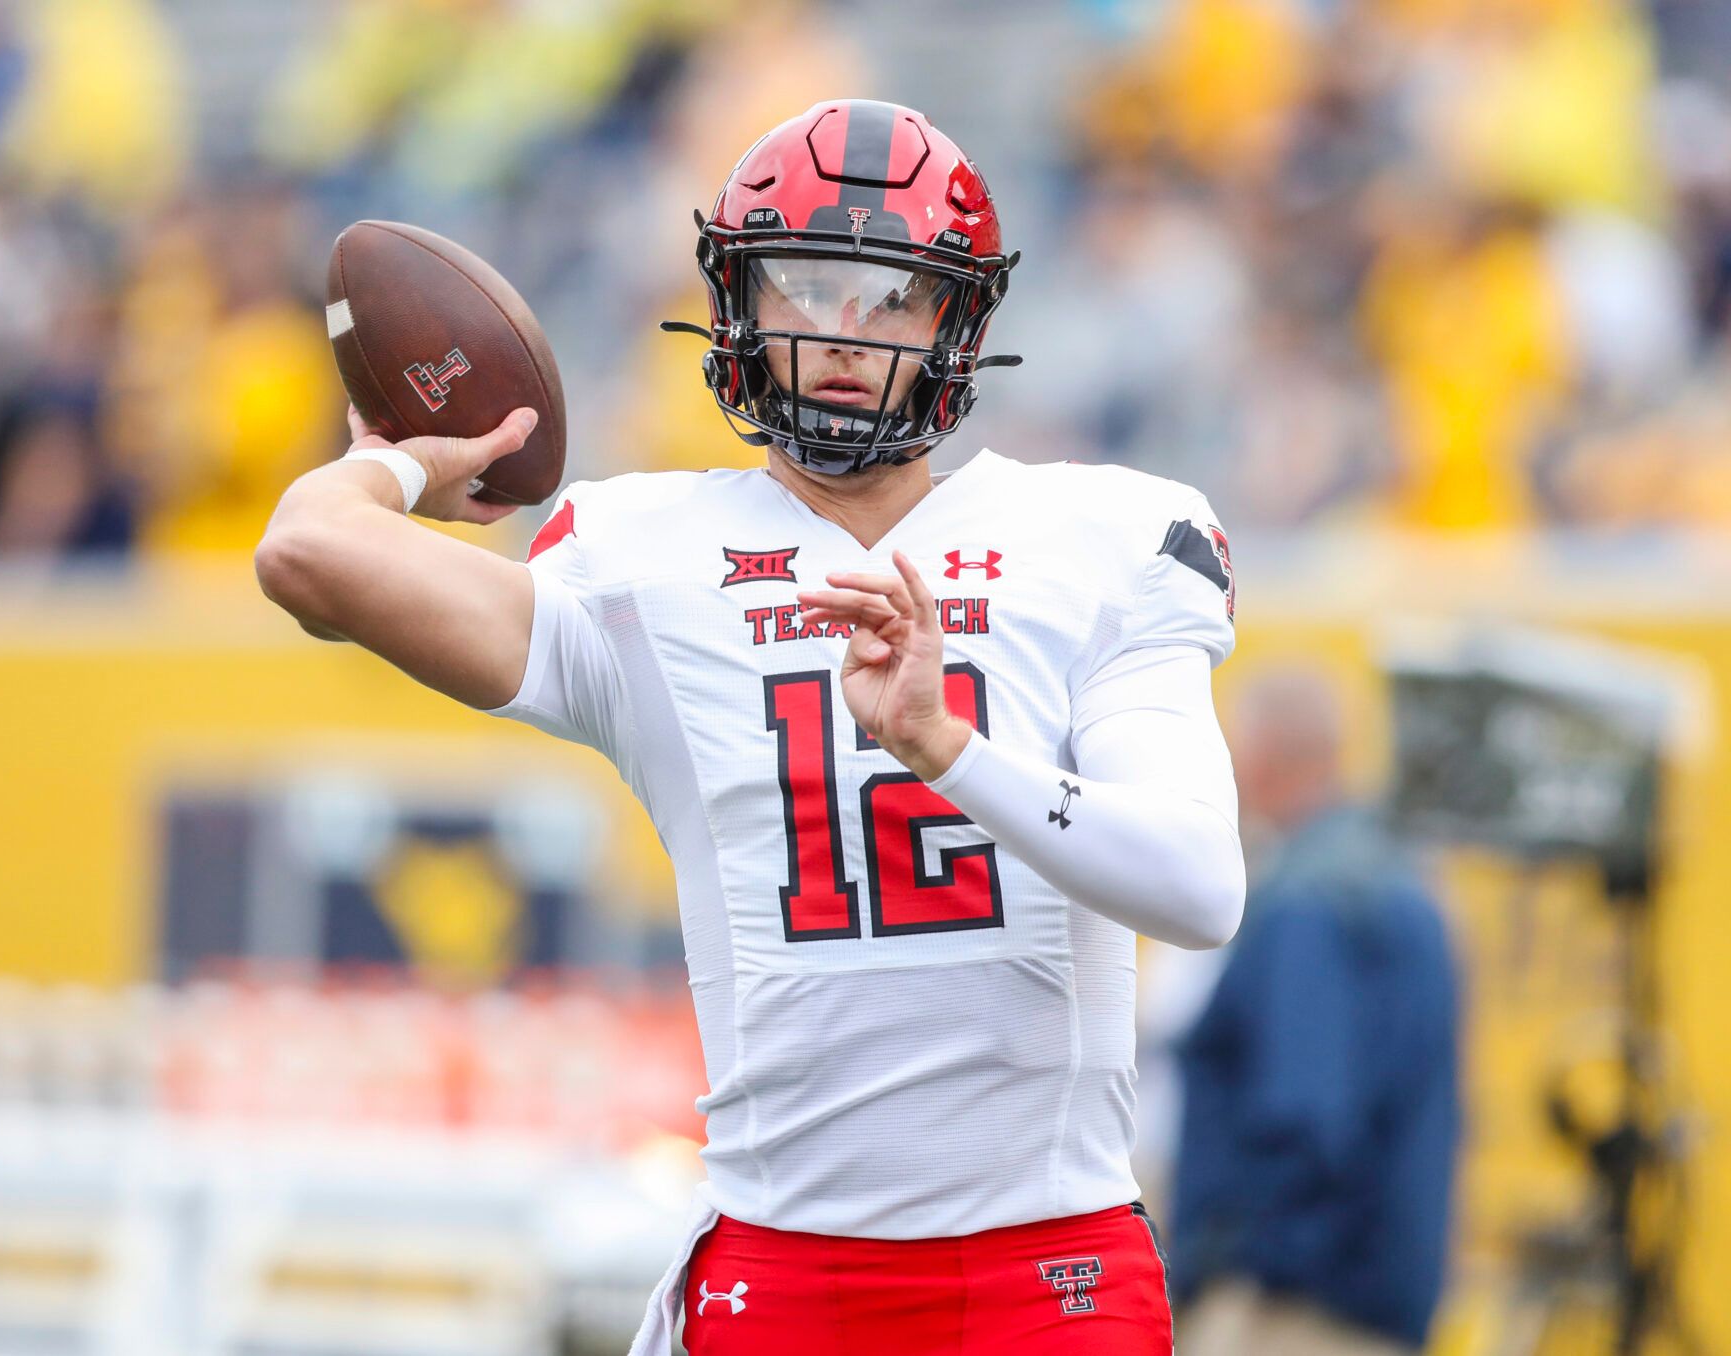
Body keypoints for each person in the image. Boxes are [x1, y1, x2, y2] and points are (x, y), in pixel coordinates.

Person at [257, 100, 1244, 1355]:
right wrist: (415, 463)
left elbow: (1199, 887)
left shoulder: (1103, 542)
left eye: (889, 296)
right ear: (737, 301)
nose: (841, 330)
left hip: (1048, 1270)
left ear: (956, 321)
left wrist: (947, 747)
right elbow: (305, 548)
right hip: (784, 1270)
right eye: (802, 285)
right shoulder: (641, 563)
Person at [1171, 668, 1460, 1356]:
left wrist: (1224, 1255)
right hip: (1371, 1293)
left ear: (1261, 756)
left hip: (1298, 1311)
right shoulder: (1395, 876)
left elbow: (1304, 1120)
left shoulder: (1309, 903)